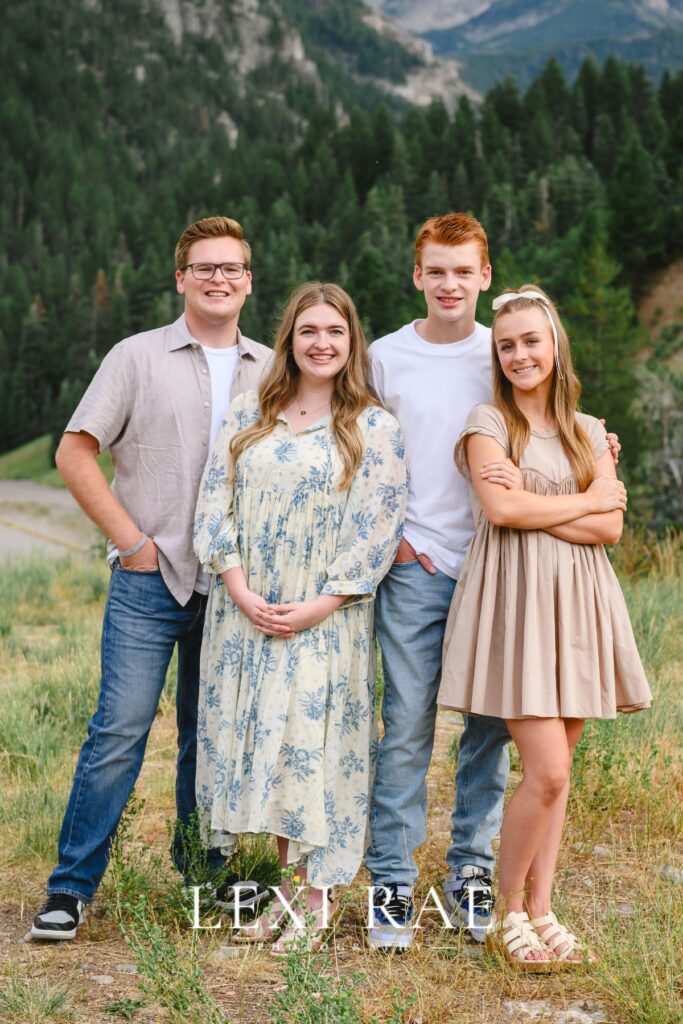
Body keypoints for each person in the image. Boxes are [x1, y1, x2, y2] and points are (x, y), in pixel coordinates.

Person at [365, 213, 621, 953]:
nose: (448, 284)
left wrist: (597, 450)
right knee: (407, 729)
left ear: (484, 274)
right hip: (420, 566)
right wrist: (398, 544)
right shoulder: (387, 357)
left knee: (489, 737)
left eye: (462, 271)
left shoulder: (502, 344)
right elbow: (367, 449)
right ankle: (389, 880)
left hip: (504, 575)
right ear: (416, 276)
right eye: (434, 271)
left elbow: (553, 427)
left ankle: (473, 876)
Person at [31, 216, 272, 941]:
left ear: (249, 281)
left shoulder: (273, 366)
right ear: (180, 278)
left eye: (231, 268)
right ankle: (71, 889)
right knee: (119, 731)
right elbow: (75, 453)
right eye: (204, 267)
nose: (218, 278)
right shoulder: (136, 357)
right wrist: (131, 542)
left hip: (232, 585)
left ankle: (203, 875)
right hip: (149, 578)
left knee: (213, 735)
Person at [438, 285, 651, 970]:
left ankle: (541, 907)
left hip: (580, 606)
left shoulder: (589, 430)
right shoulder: (487, 424)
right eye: (506, 346)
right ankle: (506, 913)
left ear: (553, 344)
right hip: (516, 604)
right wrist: (577, 500)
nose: (519, 354)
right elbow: (497, 511)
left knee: (557, 778)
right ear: (495, 356)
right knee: (546, 770)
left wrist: (540, 501)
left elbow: (610, 526)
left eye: (530, 341)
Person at [193, 282, 407, 953]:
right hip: (247, 613)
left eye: (334, 332)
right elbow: (212, 506)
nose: (321, 343)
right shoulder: (246, 415)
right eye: (308, 331)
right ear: (288, 339)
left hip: (326, 617)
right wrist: (238, 587)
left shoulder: (374, 427)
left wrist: (319, 604)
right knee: (275, 752)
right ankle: (287, 890)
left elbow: (376, 530)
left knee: (315, 750)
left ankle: (317, 899)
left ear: (351, 343)